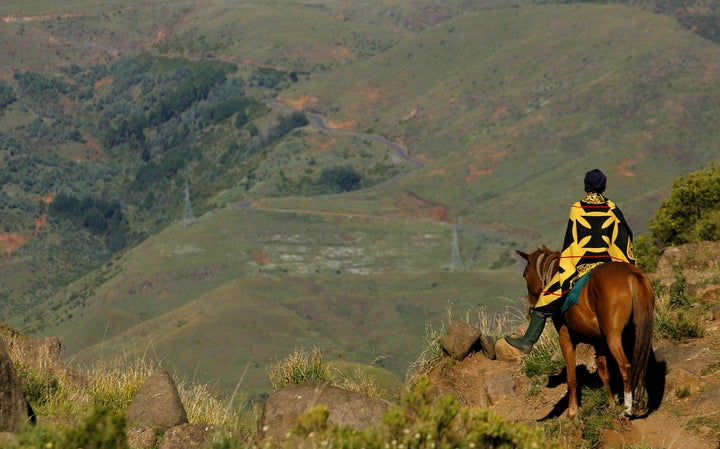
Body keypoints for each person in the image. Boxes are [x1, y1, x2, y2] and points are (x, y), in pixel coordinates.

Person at [505, 168, 635, 354]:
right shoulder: (613, 208)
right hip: (609, 264)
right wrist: (626, 265)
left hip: (583, 266)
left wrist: (568, 265)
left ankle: (528, 340)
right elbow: (624, 238)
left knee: (549, 293)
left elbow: (572, 242)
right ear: (603, 187)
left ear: (586, 187)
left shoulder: (577, 208)